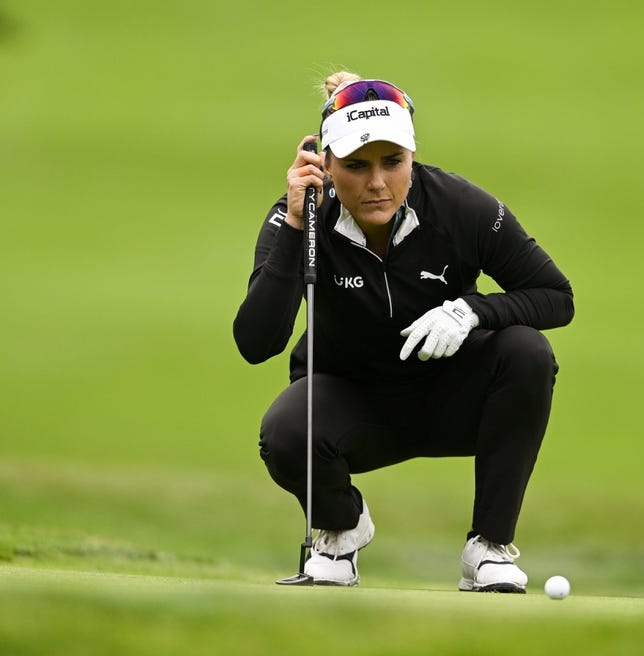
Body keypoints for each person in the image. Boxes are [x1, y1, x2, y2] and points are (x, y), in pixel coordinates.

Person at [233, 72, 574, 592]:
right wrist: (297, 229)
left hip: (451, 400)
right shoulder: (299, 217)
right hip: (353, 409)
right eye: (355, 166)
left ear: (412, 157)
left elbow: (555, 296)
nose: (377, 183)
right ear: (323, 163)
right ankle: (341, 529)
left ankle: (490, 549)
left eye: (393, 163)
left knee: (527, 351)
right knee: (284, 432)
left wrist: (471, 310)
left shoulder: (459, 206)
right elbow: (256, 344)